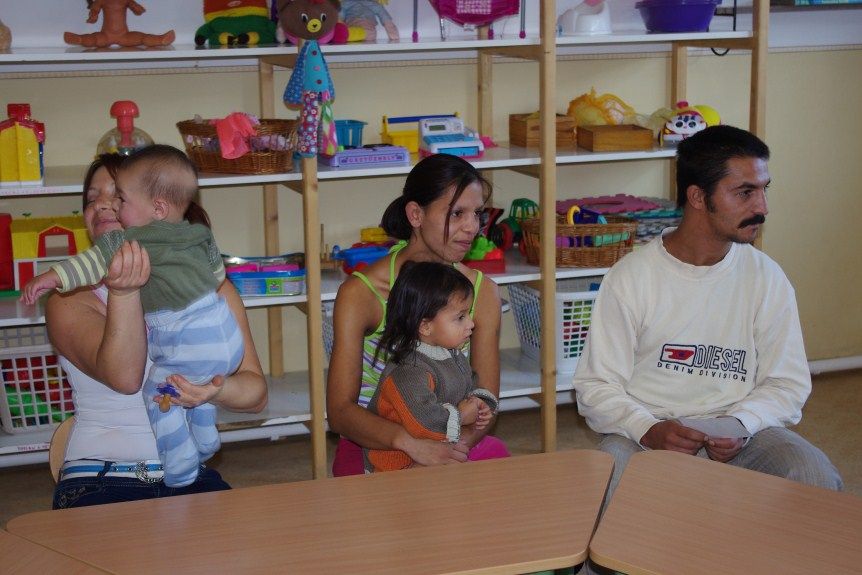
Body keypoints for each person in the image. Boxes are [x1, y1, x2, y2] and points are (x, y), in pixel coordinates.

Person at [572, 125, 843, 500]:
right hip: (646, 433)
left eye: (764, 189)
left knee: (814, 475)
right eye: (745, 193)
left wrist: (741, 423)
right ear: (698, 197)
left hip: (744, 432)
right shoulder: (630, 277)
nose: (762, 207)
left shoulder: (767, 278)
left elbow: (787, 384)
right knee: (607, 482)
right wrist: (648, 428)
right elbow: (596, 386)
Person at [43, 153, 266, 507]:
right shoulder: (68, 298)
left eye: (117, 195)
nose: (101, 205)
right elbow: (126, 378)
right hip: (101, 478)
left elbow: (256, 395)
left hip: (189, 474)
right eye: (91, 199)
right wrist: (124, 291)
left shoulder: (210, 289)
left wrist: (213, 391)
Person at [327, 153, 509, 476]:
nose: (472, 227)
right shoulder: (362, 294)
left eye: (477, 214)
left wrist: (450, 450)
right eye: (457, 213)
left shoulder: (482, 292)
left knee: (500, 466)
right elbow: (340, 412)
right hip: (376, 442)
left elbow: (486, 401)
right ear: (416, 214)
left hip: (452, 437)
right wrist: (410, 445)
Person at [364, 261, 498, 473]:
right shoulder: (408, 370)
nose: (471, 323)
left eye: (468, 314)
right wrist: (462, 416)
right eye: (460, 317)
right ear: (425, 326)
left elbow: (470, 384)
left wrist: (480, 404)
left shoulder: (451, 354)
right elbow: (424, 423)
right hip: (400, 464)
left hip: (441, 445)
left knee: (497, 454)